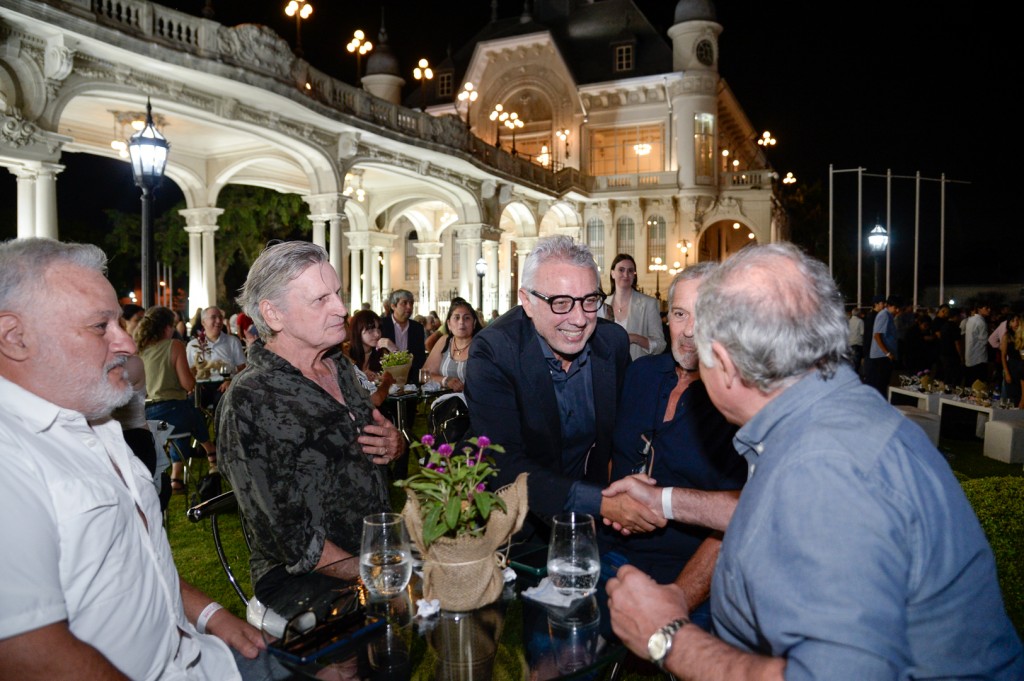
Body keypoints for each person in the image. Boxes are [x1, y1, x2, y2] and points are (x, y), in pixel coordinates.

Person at [606, 242, 1024, 679]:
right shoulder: (829, 415)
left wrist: (667, 636)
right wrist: (667, 502)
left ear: (725, 365)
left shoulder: (827, 471)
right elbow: (773, 507)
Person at [0, 237, 288, 681]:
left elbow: (140, 563)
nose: (127, 345)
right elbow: (30, 654)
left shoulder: (95, 424)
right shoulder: (12, 456)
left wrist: (213, 615)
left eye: (120, 322)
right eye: (101, 327)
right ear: (15, 337)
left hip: (200, 661)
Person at [216, 241, 405, 615]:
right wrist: (375, 575)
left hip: (373, 553)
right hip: (306, 583)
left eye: (337, 293)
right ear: (273, 314)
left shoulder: (340, 367)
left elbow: (375, 460)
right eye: (321, 300)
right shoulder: (251, 399)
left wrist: (397, 446)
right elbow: (289, 538)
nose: (341, 308)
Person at [465, 235, 661, 540]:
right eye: (561, 303)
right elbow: (503, 464)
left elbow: (618, 437)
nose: (580, 318)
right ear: (527, 301)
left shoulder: (612, 344)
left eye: (589, 300)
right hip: (518, 528)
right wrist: (602, 503)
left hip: (597, 528)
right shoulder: (494, 352)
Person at [598, 263, 746, 633]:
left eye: (706, 316)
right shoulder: (640, 373)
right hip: (611, 551)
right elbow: (618, 456)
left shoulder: (740, 399)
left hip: (691, 571)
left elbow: (744, 517)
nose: (690, 331)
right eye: (680, 314)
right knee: (554, 639)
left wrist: (677, 597)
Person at [135, 305, 216, 492]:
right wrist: (192, 374)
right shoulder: (175, 345)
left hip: (148, 417)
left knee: (182, 420)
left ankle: (176, 478)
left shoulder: (141, 350)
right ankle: (211, 450)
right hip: (172, 413)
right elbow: (188, 384)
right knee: (189, 411)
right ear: (166, 327)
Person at [602, 253, 666, 360]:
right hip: (608, 370)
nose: (626, 274)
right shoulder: (602, 304)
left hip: (636, 371)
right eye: (621, 270)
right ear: (612, 273)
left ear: (634, 275)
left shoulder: (649, 304)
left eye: (630, 271)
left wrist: (634, 338)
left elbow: (660, 345)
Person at [186, 305, 248, 411]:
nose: (219, 321)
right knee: (191, 402)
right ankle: (200, 428)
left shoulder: (232, 341)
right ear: (203, 322)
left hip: (225, 384)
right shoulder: (193, 344)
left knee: (224, 400)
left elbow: (242, 367)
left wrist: (232, 381)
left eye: (220, 317)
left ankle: (220, 427)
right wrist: (194, 384)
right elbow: (189, 369)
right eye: (214, 317)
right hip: (202, 385)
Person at [422, 297, 480, 393]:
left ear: (474, 323)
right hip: (446, 404)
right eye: (456, 318)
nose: (461, 322)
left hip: (475, 403)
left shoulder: (481, 345)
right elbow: (424, 376)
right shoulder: (444, 341)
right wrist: (445, 380)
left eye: (467, 318)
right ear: (449, 324)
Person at [345, 309, 396, 407]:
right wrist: (362, 376)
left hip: (382, 408)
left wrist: (393, 349)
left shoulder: (382, 352)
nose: (377, 334)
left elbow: (400, 376)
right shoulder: (346, 353)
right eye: (371, 329)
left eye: (378, 329)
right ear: (358, 330)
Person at [380, 288, 427, 381]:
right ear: (393, 306)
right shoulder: (382, 325)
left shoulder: (417, 328)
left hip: (411, 381)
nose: (409, 307)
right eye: (404, 303)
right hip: (386, 379)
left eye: (411, 303)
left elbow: (420, 359)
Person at [864, 294, 900, 394]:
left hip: (883, 356)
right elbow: (876, 335)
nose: (897, 311)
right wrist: (887, 353)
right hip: (881, 357)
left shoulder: (887, 315)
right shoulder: (884, 315)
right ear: (889, 306)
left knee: (882, 384)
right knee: (880, 385)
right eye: (896, 308)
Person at [964, 301, 992, 387]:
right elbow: (985, 341)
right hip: (979, 357)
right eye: (986, 308)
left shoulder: (970, 320)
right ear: (979, 309)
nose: (989, 310)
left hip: (970, 356)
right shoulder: (981, 322)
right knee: (979, 386)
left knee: (970, 383)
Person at [847, 305, 864, 372]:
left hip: (849, 343)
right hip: (857, 343)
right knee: (857, 363)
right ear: (859, 313)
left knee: (851, 363)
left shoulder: (848, 321)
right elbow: (862, 333)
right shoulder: (860, 321)